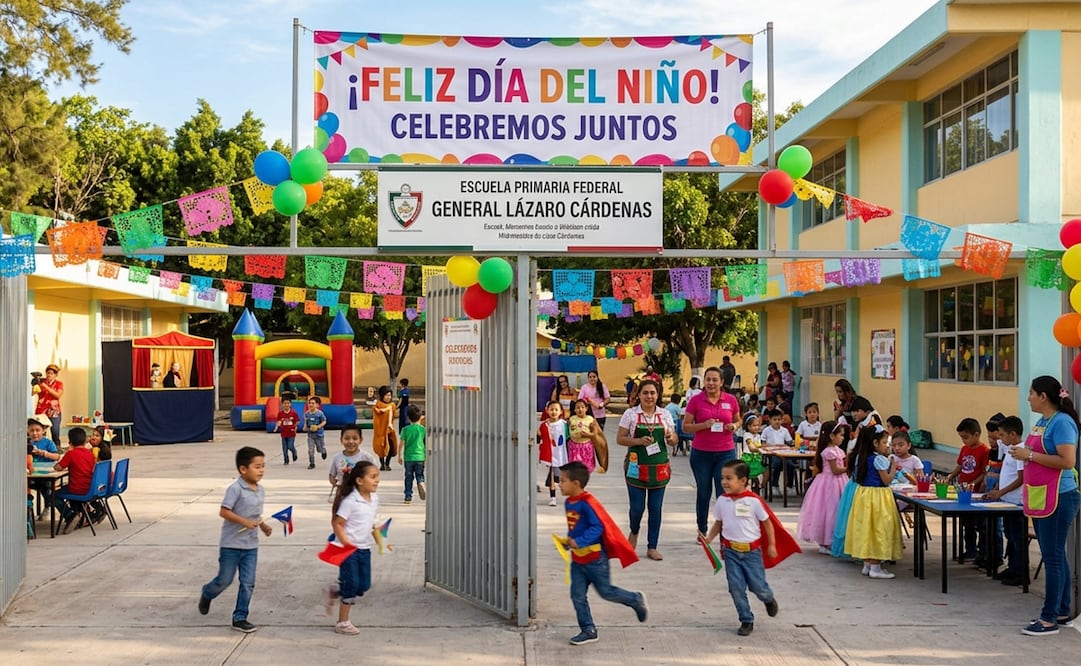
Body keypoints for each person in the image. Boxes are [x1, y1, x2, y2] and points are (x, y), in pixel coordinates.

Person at [1009, 376, 1080, 635]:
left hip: (1060, 497)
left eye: (1031, 393)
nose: (1028, 398)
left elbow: (1067, 461)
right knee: (1056, 555)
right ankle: (1061, 610)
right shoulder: (1042, 422)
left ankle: (1048, 619)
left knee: (1052, 558)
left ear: (1043, 397)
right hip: (1041, 495)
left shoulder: (1062, 422)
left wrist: (1028, 455)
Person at [701, 459, 799, 637]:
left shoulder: (753, 501)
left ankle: (768, 598)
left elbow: (767, 523)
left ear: (743, 480)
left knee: (757, 586)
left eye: (729, 478)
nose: (724, 482)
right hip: (731, 552)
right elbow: (719, 523)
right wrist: (709, 538)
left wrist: (771, 545)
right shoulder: (722, 501)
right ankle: (746, 619)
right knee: (736, 588)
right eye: (723, 478)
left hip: (752, 553)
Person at [557, 460, 648, 646]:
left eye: (563, 480)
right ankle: (588, 629)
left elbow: (597, 527)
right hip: (578, 560)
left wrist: (579, 541)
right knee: (577, 595)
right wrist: (569, 541)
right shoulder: (569, 502)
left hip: (595, 560)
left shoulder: (587, 503)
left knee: (606, 592)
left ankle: (635, 599)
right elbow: (576, 527)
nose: (559, 484)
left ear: (576, 483)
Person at [198, 446, 272, 633]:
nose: (261, 470)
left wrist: (263, 526)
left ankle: (240, 617)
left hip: (251, 546)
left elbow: (255, 515)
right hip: (231, 545)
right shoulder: (235, 489)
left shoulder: (260, 490)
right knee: (224, 580)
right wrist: (244, 522)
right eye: (257, 466)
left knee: (248, 582)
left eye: (263, 466)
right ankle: (208, 592)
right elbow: (224, 511)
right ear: (243, 469)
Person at [616, 379, 676, 561]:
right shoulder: (630, 414)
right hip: (636, 468)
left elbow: (674, 439)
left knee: (655, 509)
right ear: (639, 395)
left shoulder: (665, 414)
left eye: (652, 393)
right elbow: (620, 438)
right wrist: (638, 441)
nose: (649, 396)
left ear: (657, 395)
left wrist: (671, 437)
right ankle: (634, 531)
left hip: (659, 469)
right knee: (637, 508)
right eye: (645, 393)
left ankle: (652, 546)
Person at [682, 367, 741, 536]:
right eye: (708, 379)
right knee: (704, 492)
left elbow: (738, 420)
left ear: (722, 382)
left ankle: (725, 531)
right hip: (701, 454)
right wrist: (704, 425)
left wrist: (734, 426)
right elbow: (685, 427)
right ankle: (702, 529)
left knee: (724, 492)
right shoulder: (696, 400)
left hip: (725, 453)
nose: (711, 383)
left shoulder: (730, 400)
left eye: (715, 380)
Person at [844, 425, 903, 578]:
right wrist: (893, 466)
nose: (887, 446)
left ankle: (867, 564)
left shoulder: (860, 457)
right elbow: (886, 480)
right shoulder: (879, 459)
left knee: (867, 529)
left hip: (863, 495)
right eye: (884, 442)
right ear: (875, 443)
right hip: (878, 497)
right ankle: (876, 567)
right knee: (878, 529)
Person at [330, 460, 381, 635]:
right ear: (359, 481)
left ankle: (340, 589)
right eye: (373, 477)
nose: (377, 480)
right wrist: (346, 543)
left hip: (364, 548)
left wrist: (380, 540)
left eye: (377, 477)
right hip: (348, 550)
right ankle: (343, 623)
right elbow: (337, 523)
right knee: (352, 585)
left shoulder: (374, 499)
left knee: (364, 585)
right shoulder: (350, 501)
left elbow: (372, 523)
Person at [797, 421, 850, 554]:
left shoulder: (838, 450)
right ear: (832, 436)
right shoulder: (828, 452)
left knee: (837, 509)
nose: (842, 438)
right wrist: (848, 469)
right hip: (830, 483)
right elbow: (835, 470)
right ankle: (826, 541)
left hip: (839, 482)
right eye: (841, 435)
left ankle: (833, 539)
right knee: (829, 510)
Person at [988, 415, 1026, 587]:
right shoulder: (1010, 449)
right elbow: (1006, 473)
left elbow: (1020, 478)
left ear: (1013, 434)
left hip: (1016, 502)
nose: (1000, 438)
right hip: (1006, 500)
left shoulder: (1020, 450)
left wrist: (1001, 492)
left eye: (1002, 435)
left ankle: (1020, 572)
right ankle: (1012, 567)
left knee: (1017, 538)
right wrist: (997, 488)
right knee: (1009, 535)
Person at [945, 417, 990, 562]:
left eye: (966, 437)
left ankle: (982, 552)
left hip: (976, 493)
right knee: (967, 524)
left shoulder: (984, 451)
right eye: (962, 438)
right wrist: (951, 476)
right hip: (962, 492)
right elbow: (960, 466)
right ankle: (970, 550)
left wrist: (973, 483)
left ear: (976, 435)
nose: (964, 441)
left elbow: (984, 472)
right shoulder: (964, 449)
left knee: (980, 525)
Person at [54, 427, 95, 533]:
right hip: (90, 487)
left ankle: (70, 515)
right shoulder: (90, 454)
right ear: (85, 441)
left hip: (76, 488)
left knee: (53, 495)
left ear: (70, 442)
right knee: (67, 488)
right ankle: (81, 514)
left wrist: (56, 465)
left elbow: (59, 467)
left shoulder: (70, 454)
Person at [328, 424, 379, 501]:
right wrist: (336, 484)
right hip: (343, 496)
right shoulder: (337, 458)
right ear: (341, 440)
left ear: (361, 440)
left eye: (355, 438)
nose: (351, 441)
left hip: (362, 497)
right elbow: (332, 475)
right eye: (347, 438)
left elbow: (375, 475)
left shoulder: (367, 458)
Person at [538, 400, 570, 507]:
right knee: (552, 475)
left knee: (562, 475)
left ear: (561, 411)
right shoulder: (545, 425)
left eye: (556, 409)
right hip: (551, 455)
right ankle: (553, 497)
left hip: (562, 453)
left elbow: (569, 438)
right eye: (551, 409)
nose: (554, 412)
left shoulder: (564, 424)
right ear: (547, 411)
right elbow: (539, 436)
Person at [398, 405, 426, 503]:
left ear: (408, 418)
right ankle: (421, 482)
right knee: (420, 475)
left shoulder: (405, 429)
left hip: (408, 458)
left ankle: (408, 496)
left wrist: (399, 456)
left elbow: (401, 444)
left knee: (408, 477)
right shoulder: (423, 429)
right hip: (420, 456)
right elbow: (425, 443)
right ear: (420, 417)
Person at [762, 409, 795, 490]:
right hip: (772, 454)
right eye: (774, 419)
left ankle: (789, 486)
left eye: (779, 419)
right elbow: (763, 444)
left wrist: (789, 445)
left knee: (790, 465)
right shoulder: (766, 430)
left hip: (784, 454)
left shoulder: (784, 430)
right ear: (770, 420)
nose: (777, 421)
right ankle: (774, 485)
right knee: (776, 464)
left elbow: (790, 442)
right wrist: (774, 446)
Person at [568, 399, 601, 473]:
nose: (580, 409)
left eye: (582, 407)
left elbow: (595, 433)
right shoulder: (571, 419)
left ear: (586, 408)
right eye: (578, 408)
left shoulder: (590, 419)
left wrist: (588, 435)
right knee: (575, 467)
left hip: (586, 446)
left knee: (586, 467)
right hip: (574, 446)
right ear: (574, 409)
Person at [34, 363, 64, 444]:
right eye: (48, 373)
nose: (49, 375)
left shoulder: (59, 384)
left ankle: (56, 448)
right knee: (40, 432)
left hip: (54, 411)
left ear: (56, 375)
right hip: (41, 410)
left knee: (55, 432)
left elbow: (58, 395)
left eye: (51, 373)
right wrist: (35, 385)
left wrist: (46, 387)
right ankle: (40, 447)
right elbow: (35, 393)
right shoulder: (41, 382)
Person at [371, 386, 397, 471]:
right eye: (386, 395)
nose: (388, 397)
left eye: (389, 395)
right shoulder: (378, 404)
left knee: (392, 447)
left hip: (389, 430)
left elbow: (394, 416)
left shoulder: (392, 405)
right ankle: (382, 464)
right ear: (382, 395)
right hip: (380, 430)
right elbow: (376, 411)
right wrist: (384, 410)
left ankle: (387, 463)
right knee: (381, 448)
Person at [272, 399, 299, 465]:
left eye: (288, 403)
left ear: (290, 404)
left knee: (290, 446)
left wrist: (295, 427)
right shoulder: (280, 413)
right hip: (283, 433)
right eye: (285, 403)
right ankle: (286, 460)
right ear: (282, 404)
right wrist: (276, 427)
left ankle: (294, 452)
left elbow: (297, 421)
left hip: (291, 433)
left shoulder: (293, 413)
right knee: (284, 448)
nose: (286, 405)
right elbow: (279, 421)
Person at [304, 397, 327, 470]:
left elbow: (324, 421)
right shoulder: (307, 413)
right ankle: (312, 463)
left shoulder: (319, 413)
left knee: (319, 449)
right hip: (310, 435)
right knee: (310, 450)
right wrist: (305, 427)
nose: (311, 405)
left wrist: (318, 426)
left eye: (313, 403)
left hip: (319, 435)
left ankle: (323, 451)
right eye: (309, 403)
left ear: (317, 405)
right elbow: (306, 421)